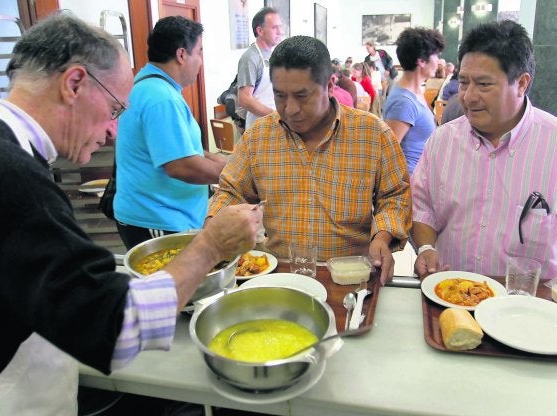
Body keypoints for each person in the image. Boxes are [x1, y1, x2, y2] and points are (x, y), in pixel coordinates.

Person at [0, 14, 261, 414]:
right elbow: (112, 329)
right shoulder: (9, 176)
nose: (114, 131)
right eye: (114, 110)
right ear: (74, 83)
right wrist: (211, 246)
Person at [208, 35, 412, 284]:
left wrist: (382, 236)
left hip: (348, 279)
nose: (290, 108)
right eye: (280, 96)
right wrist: (213, 226)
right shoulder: (259, 136)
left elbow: (395, 196)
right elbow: (230, 191)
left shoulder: (371, 134)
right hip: (278, 275)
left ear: (329, 85)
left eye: (302, 96)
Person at [411, 20, 557, 280]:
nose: (468, 96)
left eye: (484, 85)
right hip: (449, 295)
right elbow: (422, 207)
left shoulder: (552, 144)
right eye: (464, 82)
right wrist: (425, 247)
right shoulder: (442, 141)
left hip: (528, 305)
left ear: (521, 84)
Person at [114, 16, 227, 250]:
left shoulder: (150, 85)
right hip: (158, 220)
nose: (201, 61)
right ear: (182, 55)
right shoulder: (160, 97)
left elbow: (180, 149)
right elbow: (181, 165)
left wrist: (223, 161)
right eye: (200, 52)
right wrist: (238, 176)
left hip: (163, 215)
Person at [382, 27, 445, 175]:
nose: (438, 62)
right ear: (422, 61)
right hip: (410, 184)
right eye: (436, 56)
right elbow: (387, 155)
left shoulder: (415, 93)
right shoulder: (404, 102)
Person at [237, 7, 283, 129]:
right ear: (260, 31)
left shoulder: (274, 55)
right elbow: (244, 99)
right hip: (260, 127)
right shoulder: (251, 57)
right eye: (274, 27)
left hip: (277, 123)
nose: (280, 32)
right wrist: (275, 115)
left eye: (280, 27)